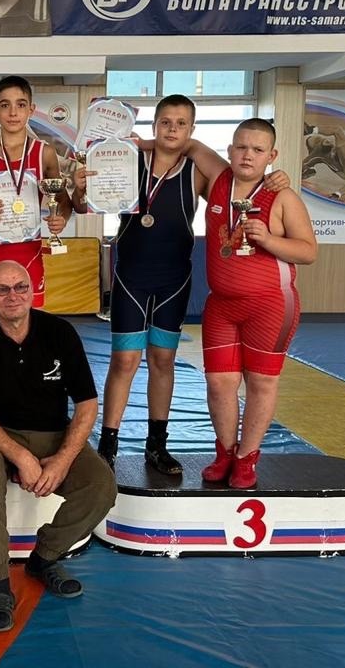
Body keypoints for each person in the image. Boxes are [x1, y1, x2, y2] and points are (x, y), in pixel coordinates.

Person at [87, 96, 289, 476]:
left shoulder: (198, 171)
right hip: (130, 278)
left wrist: (276, 179)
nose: (172, 129)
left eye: (181, 124)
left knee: (163, 360)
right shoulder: (131, 162)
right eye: (165, 122)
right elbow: (90, 196)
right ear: (154, 125)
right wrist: (97, 169)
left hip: (173, 281)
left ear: (192, 130)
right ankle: (108, 445)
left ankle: (156, 446)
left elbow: (241, 182)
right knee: (124, 361)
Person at [0, 260, 116, 632]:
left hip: (54, 433)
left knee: (101, 485)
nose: (12, 296)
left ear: (33, 290)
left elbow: (87, 405)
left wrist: (63, 459)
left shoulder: (60, 333)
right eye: (2, 289)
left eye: (20, 287)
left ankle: (43, 559)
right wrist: (21, 456)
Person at [200, 119, 317, 489]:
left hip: (270, 306)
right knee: (219, 382)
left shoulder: (283, 197)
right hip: (221, 305)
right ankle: (225, 452)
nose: (247, 155)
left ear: (272, 155)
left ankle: (247, 457)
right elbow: (188, 145)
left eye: (257, 149)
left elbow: (308, 251)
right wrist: (137, 143)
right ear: (230, 149)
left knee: (261, 383)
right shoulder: (219, 181)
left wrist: (267, 239)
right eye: (241, 147)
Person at [0, 75, 68, 318]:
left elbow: (63, 202)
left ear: (31, 110)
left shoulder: (45, 154)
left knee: (32, 334)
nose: (13, 112)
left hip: (30, 258)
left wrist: (61, 220)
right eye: (5, 105)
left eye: (21, 104)